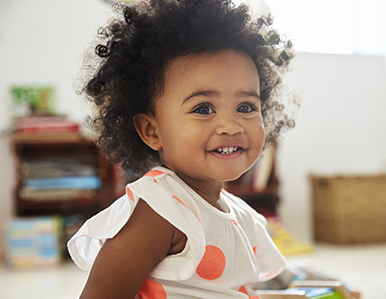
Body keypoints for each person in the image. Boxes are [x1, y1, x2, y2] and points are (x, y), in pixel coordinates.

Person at [68, 0, 296, 298]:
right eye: (203, 108)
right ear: (152, 130)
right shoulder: (160, 210)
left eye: (245, 106)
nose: (230, 125)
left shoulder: (240, 213)